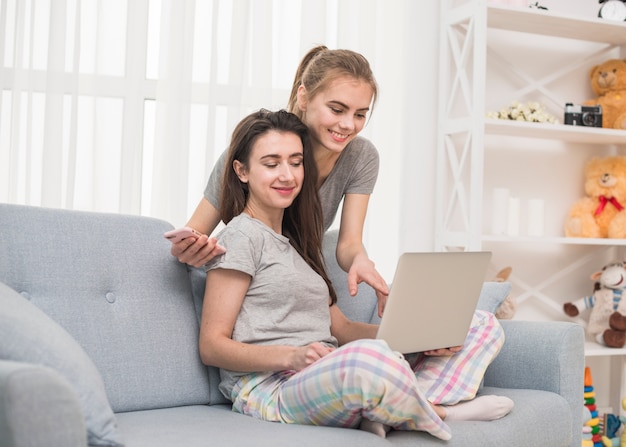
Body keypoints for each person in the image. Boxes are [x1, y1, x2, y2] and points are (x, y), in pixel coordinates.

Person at [198, 108, 513, 440]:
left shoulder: (301, 242)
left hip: (330, 370)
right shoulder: (240, 237)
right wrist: (292, 355)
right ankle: (442, 411)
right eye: (272, 163)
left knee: (479, 325)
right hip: (270, 385)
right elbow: (212, 345)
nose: (288, 175)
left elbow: (343, 329)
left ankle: (385, 407)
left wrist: (420, 338)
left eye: (296, 162)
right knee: (368, 361)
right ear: (242, 171)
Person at [171, 45, 390, 315]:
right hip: (242, 289)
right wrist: (189, 251)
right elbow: (195, 231)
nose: (348, 125)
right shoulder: (252, 150)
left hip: (293, 287)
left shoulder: (360, 156)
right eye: (337, 109)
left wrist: (360, 260)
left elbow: (349, 243)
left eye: (360, 115)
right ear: (304, 97)